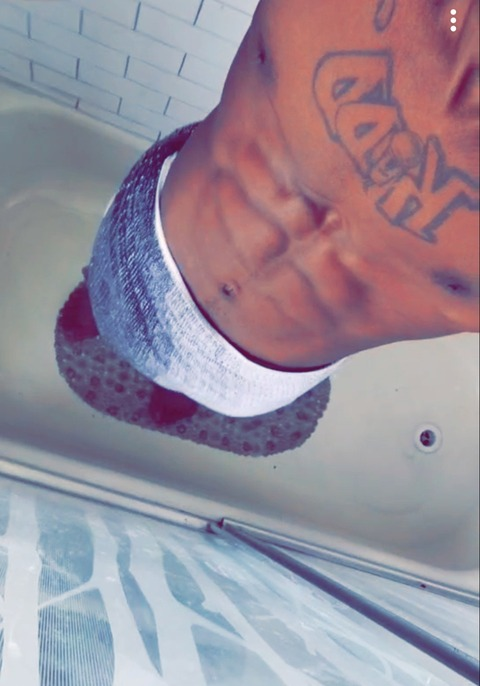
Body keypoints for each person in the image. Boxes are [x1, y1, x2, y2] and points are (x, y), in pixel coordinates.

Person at [59, 0, 479, 431]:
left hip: (252, 373)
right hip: (149, 245)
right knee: (104, 300)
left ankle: (177, 389)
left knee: (186, 389)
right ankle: (98, 306)